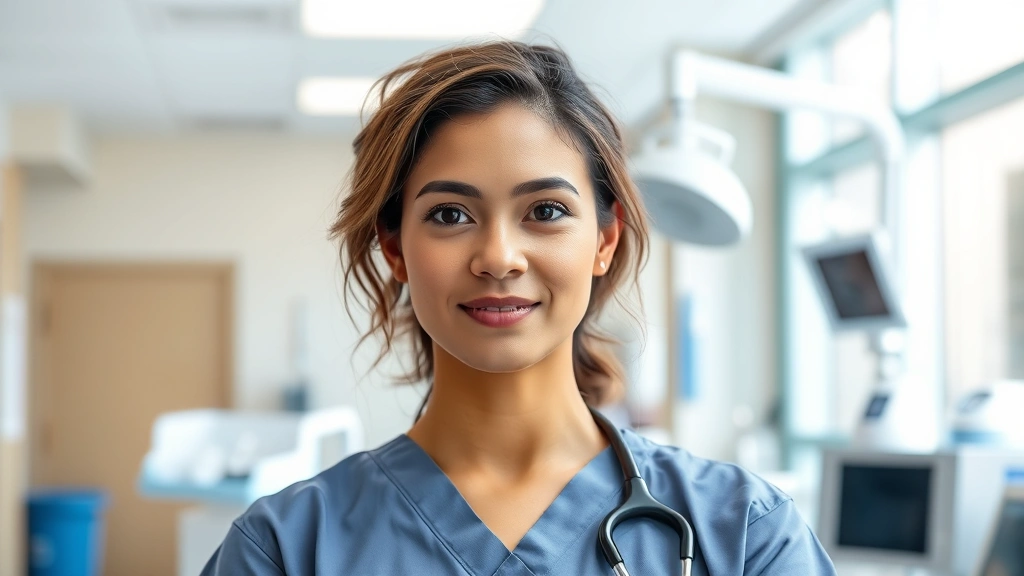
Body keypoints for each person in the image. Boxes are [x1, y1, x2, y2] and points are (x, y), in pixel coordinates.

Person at [201, 40, 837, 575]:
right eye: (450, 215)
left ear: (604, 242)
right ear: (395, 250)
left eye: (547, 212)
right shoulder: (286, 550)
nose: (499, 256)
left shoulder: (746, 538)